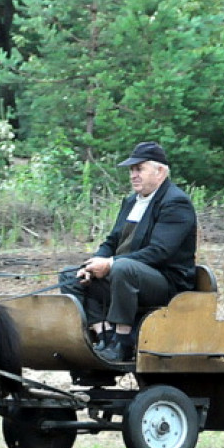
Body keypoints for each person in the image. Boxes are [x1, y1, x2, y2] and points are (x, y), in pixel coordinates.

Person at [60, 141, 197, 363]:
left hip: (166, 282)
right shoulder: (131, 201)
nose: (133, 175)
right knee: (70, 275)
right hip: (127, 274)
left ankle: (123, 342)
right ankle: (101, 336)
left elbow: (160, 252)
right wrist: (95, 263)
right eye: (132, 170)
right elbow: (113, 240)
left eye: (139, 169)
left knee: (124, 268)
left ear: (160, 171)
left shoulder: (175, 202)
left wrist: (111, 264)